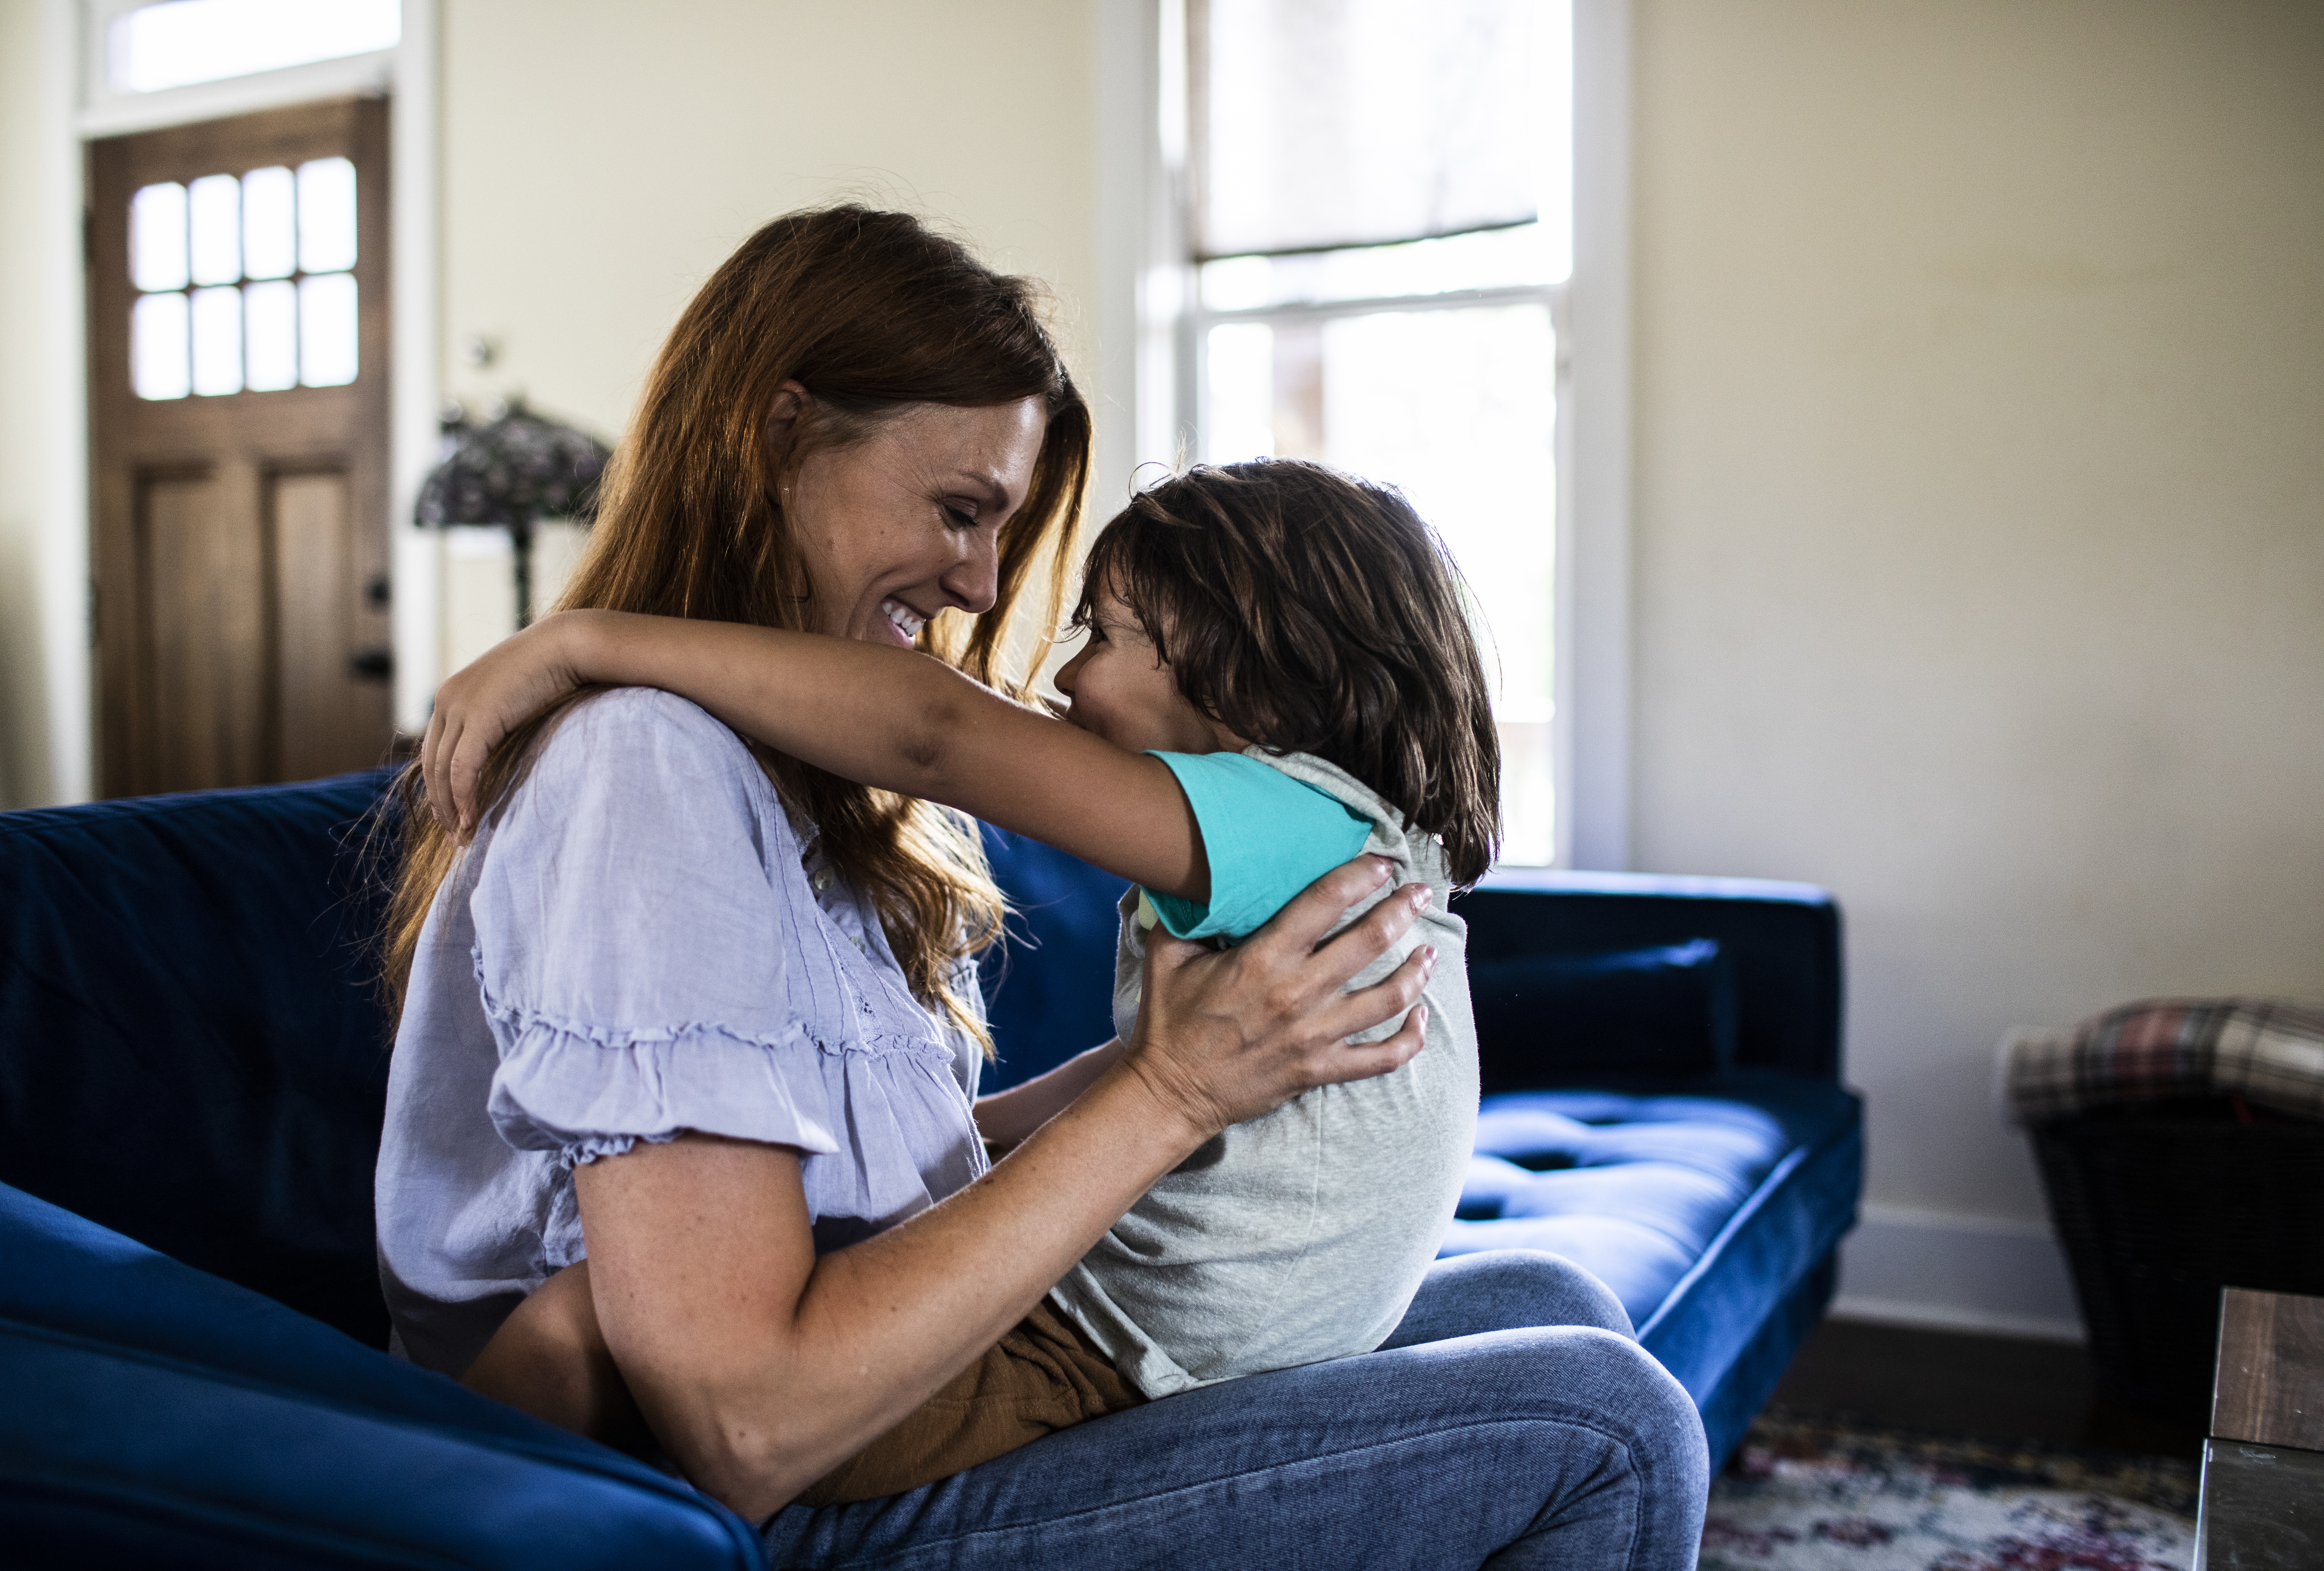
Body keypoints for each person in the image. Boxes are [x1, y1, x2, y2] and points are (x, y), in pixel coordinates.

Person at [378, 204, 1707, 1568]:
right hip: (789, 1480)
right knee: (1607, 1422)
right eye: (960, 511)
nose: (983, 587)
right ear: (777, 438)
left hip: (902, 1345)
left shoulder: (795, 787)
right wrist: (1172, 1090)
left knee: (1549, 1299)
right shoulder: (645, 759)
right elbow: (747, 1424)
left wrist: (1201, 1058)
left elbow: (855, 1169)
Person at [427, 458, 1502, 1507]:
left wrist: (583, 641)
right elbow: (1150, 1068)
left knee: (585, 1331)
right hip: (1213, 1343)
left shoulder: (1285, 822)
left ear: (1248, 677)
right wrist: (972, 1132)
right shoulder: (1358, 853)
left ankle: (412, 1508)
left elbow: (935, 733)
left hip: (1089, 1355)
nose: (1067, 679)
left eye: (1104, 635)